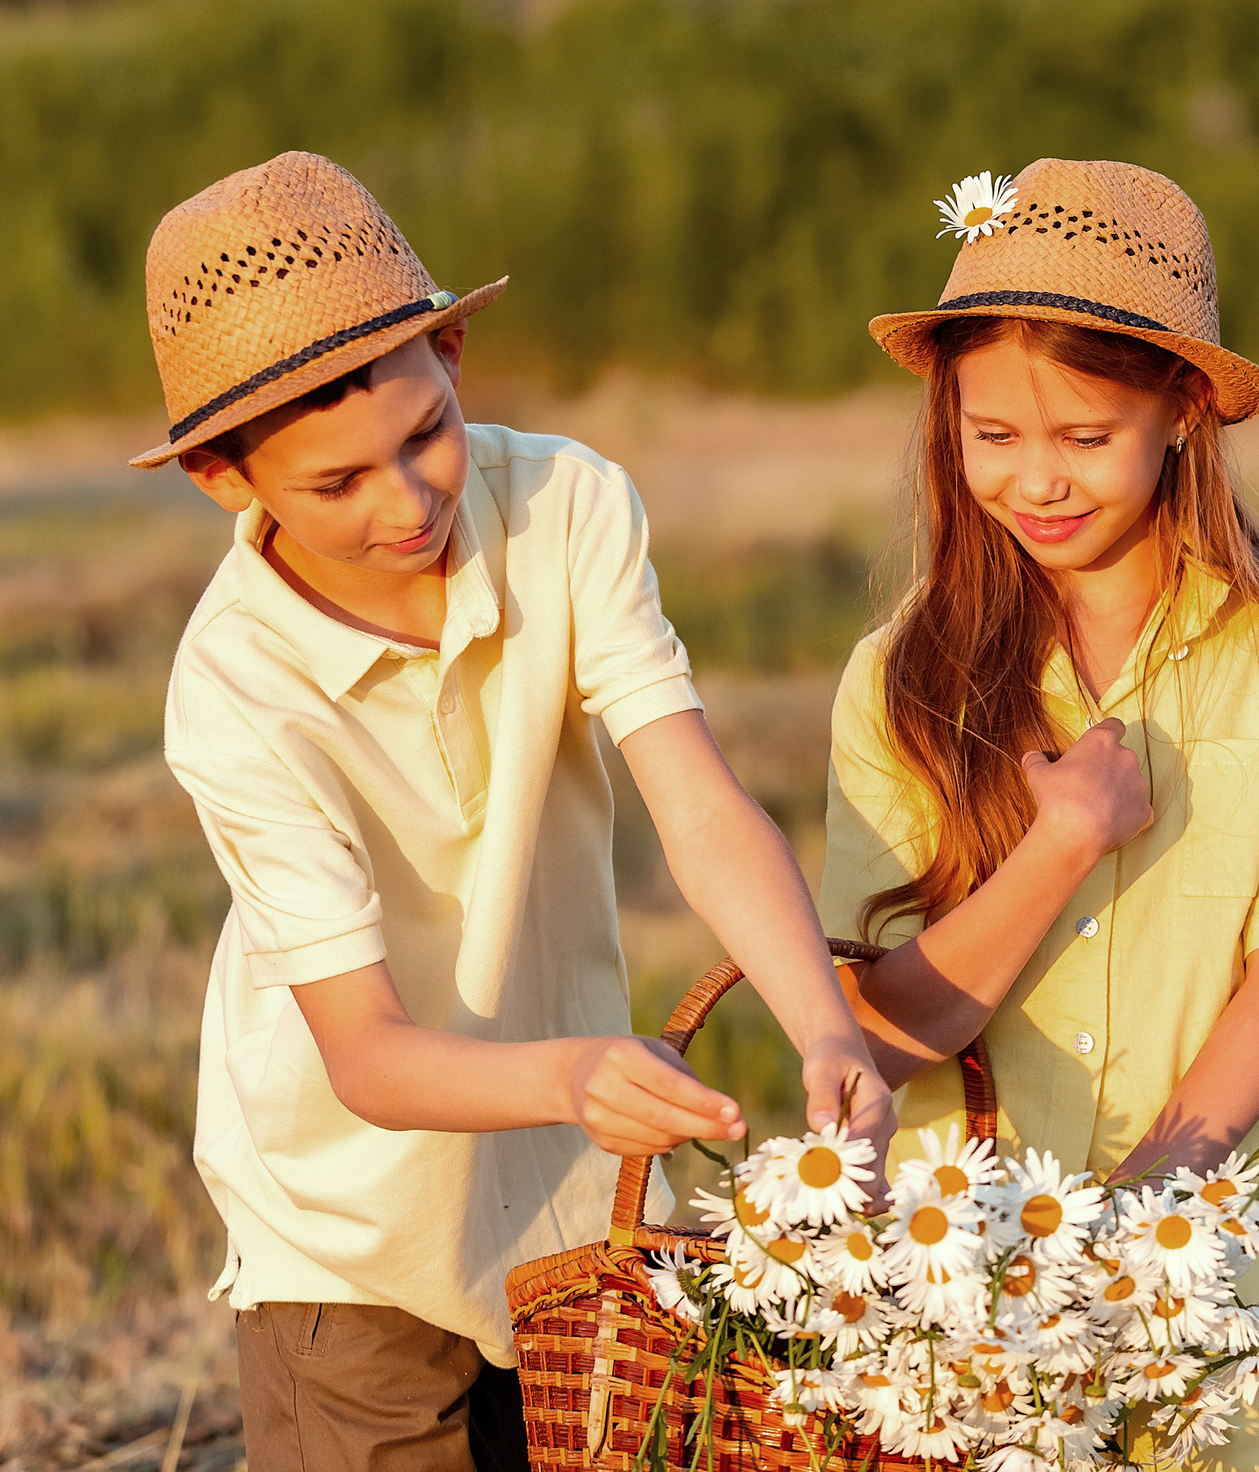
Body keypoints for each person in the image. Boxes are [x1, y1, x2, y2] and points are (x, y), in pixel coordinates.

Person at [133, 151, 889, 1472]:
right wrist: (571, 1076)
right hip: (353, 1245)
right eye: (337, 485)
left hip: (567, 1198)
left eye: (425, 434)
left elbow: (700, 808)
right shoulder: (236, 686)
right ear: (222, 477)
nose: (409, 501)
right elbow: (366, 1057)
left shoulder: (565, 505)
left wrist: (826, 1024)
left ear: (454, 350)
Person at [815, 158, 1259, 1471]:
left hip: (1207, 1278)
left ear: (1183, 409)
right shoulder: (898, 680)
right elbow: (881, 1033)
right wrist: (1061, 842)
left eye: (1085, 439)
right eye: (994, 438)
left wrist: (1132, 1231)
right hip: (959, 1291)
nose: (1039, 482)